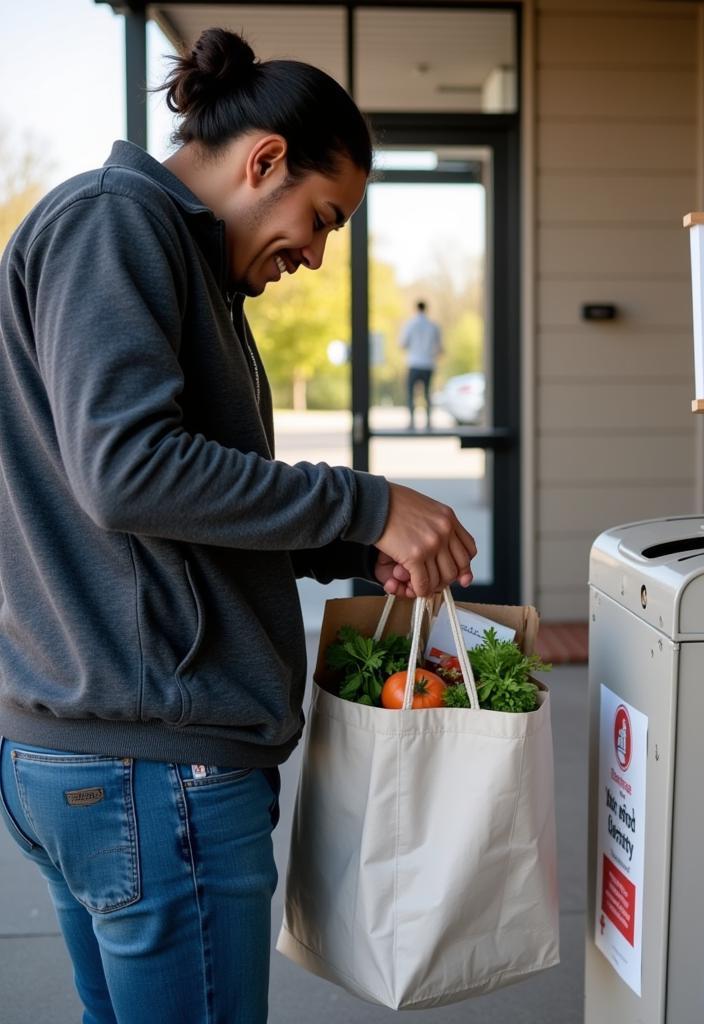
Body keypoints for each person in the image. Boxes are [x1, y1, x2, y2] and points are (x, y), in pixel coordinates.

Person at [0, 28, 475, 1024]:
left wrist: (357, 541)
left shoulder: (173, 257)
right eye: (322, 216)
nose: (314, 252)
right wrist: (367, 500)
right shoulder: (114, 227)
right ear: (263, 160)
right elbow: (128, 476)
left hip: (114, 752)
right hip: (150, 761)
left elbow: (187, 506)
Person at [399, 299, 443, 429]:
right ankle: (429, 422)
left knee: (411, 393)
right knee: (427, 394)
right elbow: (440, 348)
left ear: (416, 309)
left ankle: (412, 421)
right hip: (428, 364)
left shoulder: (410, 325)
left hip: (414, 363)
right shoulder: (433, 326)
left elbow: (402, 344)